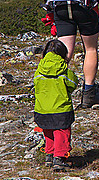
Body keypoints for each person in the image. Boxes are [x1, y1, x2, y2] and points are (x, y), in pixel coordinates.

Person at [34, 39, 79, 171]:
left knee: (48, 131)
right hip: (61, 108)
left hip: (42, 109)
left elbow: (36, 84)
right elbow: (73, 83)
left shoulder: (39, 69)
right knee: (61, 132)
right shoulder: (64, 70)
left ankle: (50, 155)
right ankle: (59, 158)